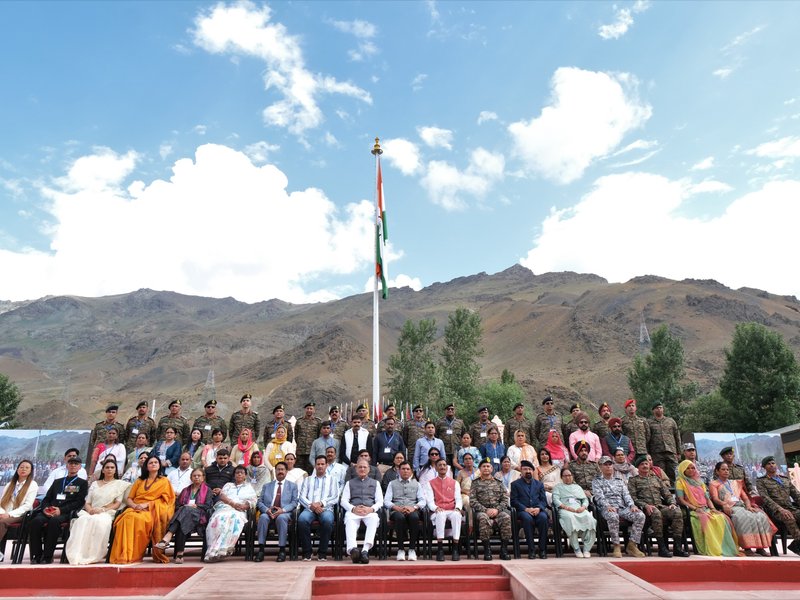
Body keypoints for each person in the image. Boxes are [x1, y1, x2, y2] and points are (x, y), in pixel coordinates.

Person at [109, 455, 175, 564]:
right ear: (146, 466)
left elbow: (167, 501)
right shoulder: (140, 481)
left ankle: (133, 555)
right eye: (150, 463)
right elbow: (129, 498)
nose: (153, 464)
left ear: (159, 466)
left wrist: (147, 505)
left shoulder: (164, 481)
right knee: (125, 519)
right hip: (135, 508)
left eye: (155, 462)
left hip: (152, 511)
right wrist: (135, 506)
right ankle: (123, 554)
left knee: (137, 520)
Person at [65, 457, 128, 564]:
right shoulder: (95, 484)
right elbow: (87, 502)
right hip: (91, 511)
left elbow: (117, 504)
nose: (109, 469)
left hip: (107, 512)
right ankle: (79, 553)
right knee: (82, 521)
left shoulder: (120, 484)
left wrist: (103, 509)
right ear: (102, 470)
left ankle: (93, 554)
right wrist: (90, 511)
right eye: (107, 467)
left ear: (115, 470)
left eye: (112, 468)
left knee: (99, 522)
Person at [28, 456, 88, 564]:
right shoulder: (57, 482)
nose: (73, 465)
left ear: (79, 467)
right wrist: (46, 508)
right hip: (50, 510)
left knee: (54, 522)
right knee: (35, 521)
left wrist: (61, 510)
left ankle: (47, 556)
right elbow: (47, 498)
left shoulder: (82, 483)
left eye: (76, 464)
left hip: (65, 512)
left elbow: (79, 502)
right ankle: (36, 555)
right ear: (67, 465)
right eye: (71, 463)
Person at [627, 455, 688, 558]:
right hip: (646, 509)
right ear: (637, 467)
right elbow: (632, 498)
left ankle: (677, 547)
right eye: (642, 464)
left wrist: (672, 503)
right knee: (656, 513)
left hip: (660, 506)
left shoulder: (656, 479)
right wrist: (645, 505)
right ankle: (662, 548)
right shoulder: (633, 481)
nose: (645, 466)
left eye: (646, 463)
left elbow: (667, 494)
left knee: (677, 512)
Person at [710, 461, 775, 556]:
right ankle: (747, 547)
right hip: (730, 507)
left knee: (760, 515)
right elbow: (715, 498)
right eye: (723, 469)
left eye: (727, 469)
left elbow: (745, 498)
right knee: (741, 518)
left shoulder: (735, 483)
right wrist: (724, 504)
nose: (726, 471)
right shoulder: (714, 484)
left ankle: (760, 547)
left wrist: (748, 506)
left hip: (742, 506)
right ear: (717, 471)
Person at [675, 459, 739, 556]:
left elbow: (707, 498)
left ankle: (724, 547)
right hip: (692, 510)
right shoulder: (680, 482)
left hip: (706, 508)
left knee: (722, 518)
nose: (691, 470)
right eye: (688, 468)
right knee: (707, 519)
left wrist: (713, 508)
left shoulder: (700, 482)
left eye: (693, 468)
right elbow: (681, 500)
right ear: (683, 470)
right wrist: (695, 508)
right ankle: (712, 547)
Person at [592, 455, 646, 558]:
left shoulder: (619, 481)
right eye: (605, 465)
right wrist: (607, 505)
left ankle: (632, 545)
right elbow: (599, 497)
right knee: (613, 516)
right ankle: (616, 545)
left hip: (621, 508)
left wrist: (632, 505)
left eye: (610, 464)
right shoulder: (596, 481)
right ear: (600, 467)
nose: (608, 467)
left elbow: (626, 495)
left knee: (640, 515)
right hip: (607, 508)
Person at [156, 467, 212, 564]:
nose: (196, 478)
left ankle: (167, 537)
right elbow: (177, 505)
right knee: (184, 520)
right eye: (194, 476)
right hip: (185, 516)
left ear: (203, 478)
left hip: (199, 516)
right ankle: (179, 554)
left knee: (185, 511)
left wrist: (196, 505)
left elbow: (208, 506)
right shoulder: (185, 490)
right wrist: (186, 507)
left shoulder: (207, 490)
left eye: (199, 476)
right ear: (191, 478)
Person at [204, 465, 256, 562]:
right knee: (218, 519)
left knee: (233, 518)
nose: (239, 474)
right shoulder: (228, 485)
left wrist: (245, 506)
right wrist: (233, 504)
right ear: (234, 475)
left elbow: (253, 501)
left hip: (239, 510)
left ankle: (222, 550)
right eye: (237, 472)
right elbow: (222, 496)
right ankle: (212, 551)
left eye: (242, 473)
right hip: (225, 507)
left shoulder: (249, 487)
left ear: (245, 475)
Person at [756, 456, 800, 555]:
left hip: (790, 508)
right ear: (764, 467)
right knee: (789, 517)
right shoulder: (761, 481)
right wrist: (780, 509)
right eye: (768, 464)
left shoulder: (785, 480)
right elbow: (766, 499)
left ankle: (794, 545)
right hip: (775, 511)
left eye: (773, 463)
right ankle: (799, 545)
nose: (771, 465)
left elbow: (796, 495)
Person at [298, 455, 339, 561]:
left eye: (322, 464)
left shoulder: (332, 479)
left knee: (327, 520)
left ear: (327, 465)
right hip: (309, 508)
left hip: (325, 509)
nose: (320, 466)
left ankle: (322, 552)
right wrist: (312, 506)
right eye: (318, 464)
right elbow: (301, 496)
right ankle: (307, 552)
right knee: (302, 520)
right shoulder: (307, 480)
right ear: (315, 465)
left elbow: (335, 497)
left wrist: (321, 503)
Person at [341, 460, 383, 564]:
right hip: (354, 510)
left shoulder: (375, 483)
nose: (362, 469)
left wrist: (371, 509)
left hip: (369, 511)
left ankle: (365, 551)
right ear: (356, 469)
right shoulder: (349, 483)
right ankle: (353, 550)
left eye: (364, 467)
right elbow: (343, 500)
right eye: (360, 467)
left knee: (374, 519)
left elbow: (380, 501)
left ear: (369, 469)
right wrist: (353, 508)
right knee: (350, 520)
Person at [255, 462, 298, 563]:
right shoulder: (267, 486)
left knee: (281, 518)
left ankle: (282, 550)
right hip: (268, 511)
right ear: (275, 471)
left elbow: (294, 502)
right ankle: (261, 550)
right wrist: (266, 510)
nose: (280, 472)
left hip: (284, 513)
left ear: (286, 472)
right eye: (278, 469)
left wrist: (282, 510)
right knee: (263, 517)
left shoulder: (292, 486)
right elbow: (259, 501)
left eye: (282, 469)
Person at [471, 457, 512, 561]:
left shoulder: (499, 482)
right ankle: (487, 549)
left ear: (492, 469)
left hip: (498, 511)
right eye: (483, 466)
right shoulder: (475, 483)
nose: (486, 468)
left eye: (488, 466)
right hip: (482, 511)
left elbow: (504, 500)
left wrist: (497, 510)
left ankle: (504, 549)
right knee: (483, 518)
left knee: (506, 517)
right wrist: (485, 510)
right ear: (480, 469)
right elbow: (473, 500)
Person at [385, 462, 425, 561]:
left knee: (414, 517)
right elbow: (386, 501)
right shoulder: (392, 483)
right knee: (399, 517)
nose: (405, 471)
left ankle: (412, 549)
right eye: (403, 469)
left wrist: (414, 507)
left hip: (412, 509)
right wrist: (395, 507)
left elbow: (423, 500)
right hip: (397, 510)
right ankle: (401, 549)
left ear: (411, 471)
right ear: (399, 470)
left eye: (407, 469)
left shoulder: (417, 484)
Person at [553, 467, 596, 558]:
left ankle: (586, 549)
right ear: (562, 477)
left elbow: (585, 500)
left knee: (590, 519)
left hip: (579, 509)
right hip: (566, 509)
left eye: (569, 475)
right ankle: (576, 548)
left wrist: (583, 507)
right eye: (565, 476)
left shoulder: (577, 487)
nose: (568, 477)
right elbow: (555, 500)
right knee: (570, 519)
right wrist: (566, 507)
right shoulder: (558, 487)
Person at [0, 460, 38, 563]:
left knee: (2, 522)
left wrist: (9, 514)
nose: (23, 469)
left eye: (27, 467)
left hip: (22, 515)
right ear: (17, 469)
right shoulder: (10, 484)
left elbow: (27, 506)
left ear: (31, 471)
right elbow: (2, 502)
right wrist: (2, 513)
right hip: (5, 513)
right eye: (21, 467)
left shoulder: (32, 485)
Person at [511, 460, 549, 559]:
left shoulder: (539, 484)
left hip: (537, 510)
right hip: (523, 511)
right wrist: (526, 509)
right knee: (527, 519)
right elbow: (514, 501)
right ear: (521, 471)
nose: (528, 471)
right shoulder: (515, 484)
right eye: (525, 469)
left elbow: (543, 501)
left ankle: (542, 549)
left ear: (533, 471)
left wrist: (538, 508)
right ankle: (531, 550)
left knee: (544, 518)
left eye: (530, 469)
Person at [426, 458, 463, 562]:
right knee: (441, 514)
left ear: (447, 468)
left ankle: (455, 548)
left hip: (451, 509)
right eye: (440, 465)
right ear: (436, 468)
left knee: (456, 515)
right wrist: (435, 508)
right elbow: (429, 500)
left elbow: (458, 498)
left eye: (444, 465)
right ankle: (440, 548)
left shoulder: (454, 482)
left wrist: (458, 508)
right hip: (437, 510)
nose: (442, 467)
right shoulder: (430, 483)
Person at [646, 402, 681, 486]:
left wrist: (679, 452)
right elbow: (647, 438)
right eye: (657, 408)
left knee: (674, 472)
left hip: (671, 451)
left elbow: (677, 437)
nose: (659, 409)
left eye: (661, 407)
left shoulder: (670, 421)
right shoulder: (649, 422)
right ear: (653, 410)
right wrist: (647, 453)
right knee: (660, 473)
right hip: (657, 452)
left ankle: (676, 492)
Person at [294, 402, 322, 474]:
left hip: (312, 452)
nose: (309, 410)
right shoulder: (299, 421)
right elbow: (296, 435)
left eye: (311, 409)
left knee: (310, 472)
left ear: (314, 410)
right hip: (300, 452)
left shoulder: (318, 422)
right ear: (305, 410)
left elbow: (319, 436)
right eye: (307, 408)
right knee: (299, 472)